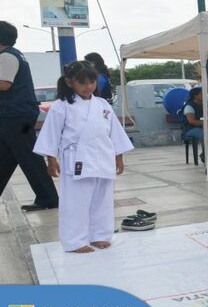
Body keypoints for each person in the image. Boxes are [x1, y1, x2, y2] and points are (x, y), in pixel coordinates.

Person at [33, 61, 133, 253]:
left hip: (103, 156)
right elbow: (51, 134)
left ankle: (100, 235)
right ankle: (75, 241)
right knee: (75, 202)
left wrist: (118, 155)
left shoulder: (102, 104)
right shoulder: (61, 106)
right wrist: (51, 158)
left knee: (102, 199)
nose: (88, 87)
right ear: (70, 83)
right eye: (83, 83)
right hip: (76, 158)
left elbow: (115, 132)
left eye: (92, 82)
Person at [0, 21, 59, 212]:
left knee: (28, 156)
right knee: (7, 157)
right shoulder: (14, 55)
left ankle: (48, 198)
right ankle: (47, 197)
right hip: (16, 115)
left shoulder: (7, 57)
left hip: (16, 116)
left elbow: (4, 85)